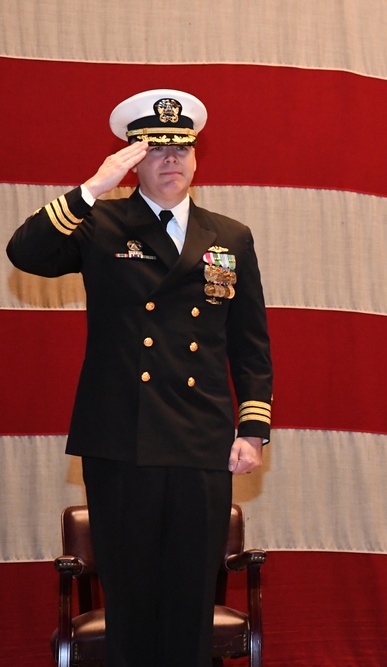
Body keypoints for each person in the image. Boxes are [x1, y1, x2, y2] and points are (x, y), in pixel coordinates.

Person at [7, 89, 273, 666]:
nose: (170, 159)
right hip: (121, 438)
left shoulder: (230, 235)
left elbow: (250, 344)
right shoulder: (100, 222)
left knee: (190, 601)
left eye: (182, 148)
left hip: (202, 441)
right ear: (132, 158)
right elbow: (25, 252)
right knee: (129, 600)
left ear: (197, 157)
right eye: (154, 149)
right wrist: (91, 188)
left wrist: (252, 430)